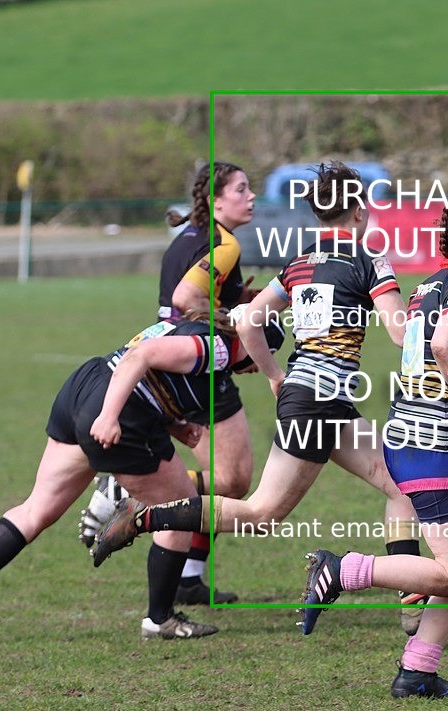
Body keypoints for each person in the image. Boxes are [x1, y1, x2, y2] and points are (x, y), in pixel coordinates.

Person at [92, 162, 426, 633]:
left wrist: (275, 375)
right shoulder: (369, 260)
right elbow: (398, 334)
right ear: (358, 211)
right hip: (319, 403)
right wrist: (429, 316)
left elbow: (248, 320)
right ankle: (145, 516)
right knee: (262, 513)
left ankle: (412, 599)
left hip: (316, 400)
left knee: (400, 484)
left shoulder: (299, 264)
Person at [297, 193, 448, 699]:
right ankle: (343, 571)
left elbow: (423, 359)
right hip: (429, 444)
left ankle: (417, 671)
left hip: (413, 436)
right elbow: (445, 347)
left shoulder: (431, 283)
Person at [0, 310, 269, 639]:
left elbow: (151, 376)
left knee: (35, 510)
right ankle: (160, 619)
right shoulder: (217, 349)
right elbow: (141, 356)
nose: (258, 367)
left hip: (86, 387)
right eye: (265, 354)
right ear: (254, 339)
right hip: (118, 412)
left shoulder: (197, 330)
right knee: (183, 511)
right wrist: (108, 416)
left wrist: (175, 427)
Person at [79, 161, 263, 605]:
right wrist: (235, 331)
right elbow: (187, 300)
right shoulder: (223, 243)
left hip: (169, 366)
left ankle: (188, 579)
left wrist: (244, 299)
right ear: (215, 200)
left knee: (225, 481)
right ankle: (123, 489)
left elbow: (186, 297)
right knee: (233, 480)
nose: (251, 196)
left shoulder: (189, 237)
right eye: (242, 189)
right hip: (197, 367)